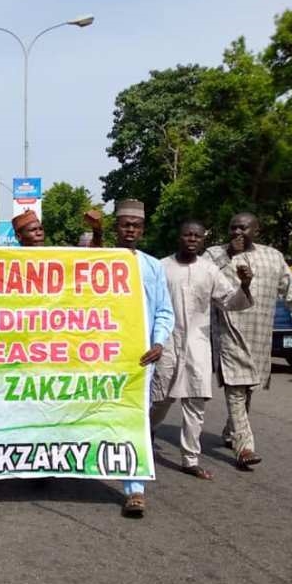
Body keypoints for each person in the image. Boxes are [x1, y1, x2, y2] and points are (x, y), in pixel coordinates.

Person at [204, 213, 292, 469]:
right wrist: (229, 256)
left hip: (259, 334)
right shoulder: (214, 255)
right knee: (236, 385)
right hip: (227, 331)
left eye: (244, 228)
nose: (237, 233)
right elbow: (199, 280)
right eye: (233, 228)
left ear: (257, 230)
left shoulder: (272, 257)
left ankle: (231, 431)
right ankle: (245, 448)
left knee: (248, 386)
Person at [150, 222, 253, 480]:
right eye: (187, 234)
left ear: (203, 240)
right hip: (167, 341)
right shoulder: (161, 267)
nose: (192, 239)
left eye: (197, 235)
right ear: (179, 237)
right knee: (161, 398)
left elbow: (230, 301)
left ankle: (190, 459)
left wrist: (245, 285)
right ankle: (146, 432)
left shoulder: (209, 270)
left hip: (198, 343)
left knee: (196, 400)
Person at [108, 200, 174, 517]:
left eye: (136, 224)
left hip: (138, 359)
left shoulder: (152, 266)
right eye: (125, 224)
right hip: (99, 357)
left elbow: (164, 310)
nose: (130, 229)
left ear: (142, 229)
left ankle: (134, 489)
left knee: (134, 420)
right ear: (115, 227)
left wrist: (158, 342)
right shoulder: (98, 261)